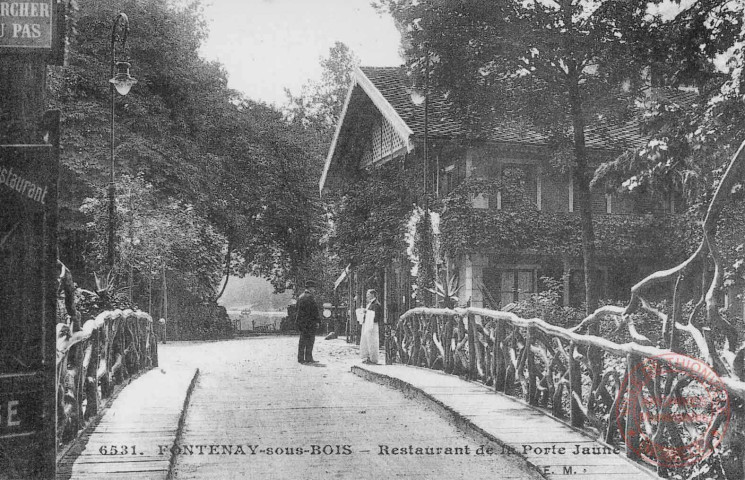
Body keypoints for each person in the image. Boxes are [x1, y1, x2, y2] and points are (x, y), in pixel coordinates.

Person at [296, 280, 321, 363]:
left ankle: (300, 358)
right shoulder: (310, 297)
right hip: (310, 323)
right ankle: (308, 358)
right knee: (310, 341)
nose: (314, 290)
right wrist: (317, 321)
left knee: (302, 340)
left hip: (302, 322)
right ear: (310, 288)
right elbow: (314, 311)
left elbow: (297, 311)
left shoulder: (300, 297)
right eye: (313, 288)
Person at [360, 288, 383, 364]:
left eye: (368, 295)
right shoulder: (369, 304)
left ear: (373, 295)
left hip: (373, 326)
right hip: (368, 324)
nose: (367, 296)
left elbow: (376, 316)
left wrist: (367, 312)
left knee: (372, 342)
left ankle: (373, 359)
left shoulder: (376, 304)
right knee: (367, 341)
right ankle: (367, 357)